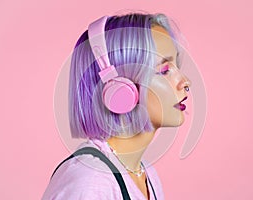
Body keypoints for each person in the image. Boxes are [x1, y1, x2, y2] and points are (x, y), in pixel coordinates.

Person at [42, 11, 191, 200]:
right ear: (120, 88)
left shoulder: (147, 175)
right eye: (164, 70)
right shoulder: (90, 182)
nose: (186, 82)